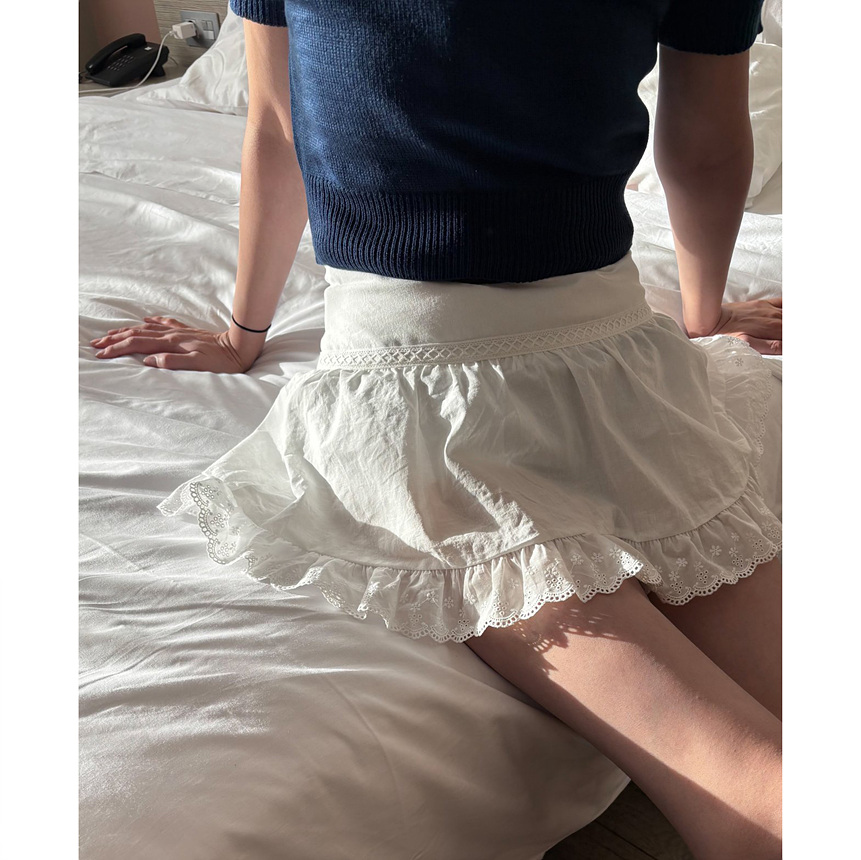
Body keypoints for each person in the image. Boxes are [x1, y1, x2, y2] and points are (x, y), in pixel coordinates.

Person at [89, 2, 782, 858]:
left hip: (411, 388)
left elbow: (277, 126)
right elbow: (705, 148)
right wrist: (703, 315)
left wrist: (244, 336)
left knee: (745, 786)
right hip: (621, 364)